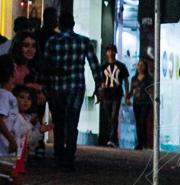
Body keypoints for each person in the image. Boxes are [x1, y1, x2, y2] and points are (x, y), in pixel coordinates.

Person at [42, 11, 102, 171]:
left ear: (59, 25)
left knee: (59, 121)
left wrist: (44, 87)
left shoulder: (52, 42)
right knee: (72, 121)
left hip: (57, 86)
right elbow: (94, 64)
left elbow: (45, 66)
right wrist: (99, 86)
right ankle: (69, 157)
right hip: (76, 86)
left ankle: (59, 155)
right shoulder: (83, 41)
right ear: (73, 25)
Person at [9, 33, 46, 157]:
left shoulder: (33, 68)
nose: (30, 50)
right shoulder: (10, 66)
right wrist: (28, 87)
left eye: (33, 46)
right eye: (26, 45)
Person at [98, 44, 131, 148]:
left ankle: (112, 139)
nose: (111, 53)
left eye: (113, 51)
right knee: (109, 116)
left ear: (115, 52)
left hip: (117, 94)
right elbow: (99, 79)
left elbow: (126, 80)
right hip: (107, 94)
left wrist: (127, 94)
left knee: (113, 116)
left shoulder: (121, 66)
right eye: (109, 51)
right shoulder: (103, 67)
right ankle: (113, 138)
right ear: (106, 53)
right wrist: (101, 87)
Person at [128, 57, 154, 150]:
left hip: (146, 102)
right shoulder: (134, 78)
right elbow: (132, 90)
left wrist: (154, 100)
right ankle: (140, 142)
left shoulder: (149, 79)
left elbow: (152, 90)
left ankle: (143, 142)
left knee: (142, 121)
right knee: (138, 122)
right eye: (138, 65)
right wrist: (128, 97)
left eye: (142, 65)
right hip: (137, 101)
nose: (140, 67)